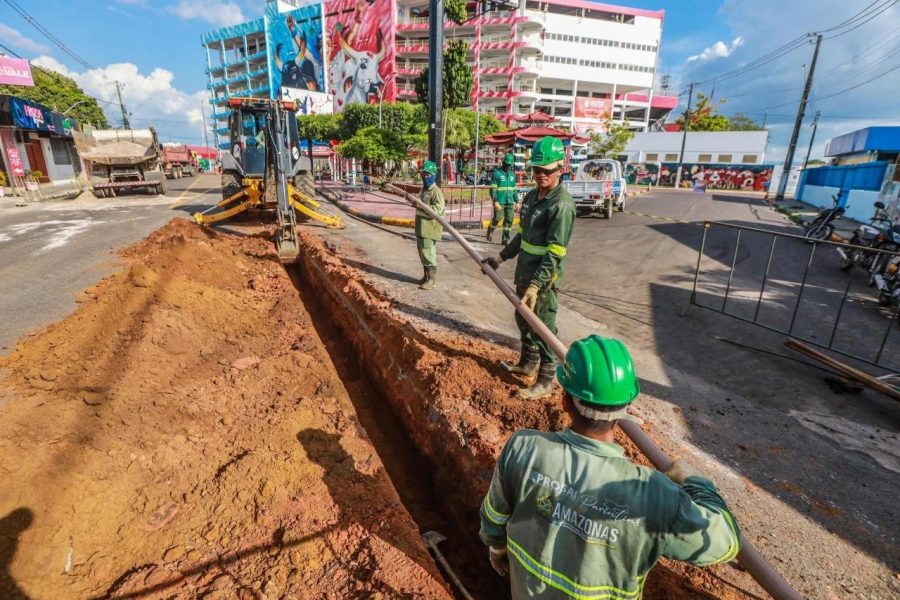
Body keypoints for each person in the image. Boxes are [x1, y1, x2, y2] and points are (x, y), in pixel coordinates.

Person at [479, 335, 741, 599]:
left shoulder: (523, 447)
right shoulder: (655, 495)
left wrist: (497, 548)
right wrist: (697, 484)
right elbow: (724, 544)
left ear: (565, 402)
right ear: (626, 407)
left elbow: (495, 517)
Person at [482, 136, 576, 400]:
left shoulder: (561, 205)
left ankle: (545, 381)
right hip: (524, 273)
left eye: (546, 170)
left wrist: (536, 285)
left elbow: (555, 253)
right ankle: (527, 364)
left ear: (560, 169)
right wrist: (500, 258)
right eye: (536, 169)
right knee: (523, 320)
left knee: (543, 327)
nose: (540, 175)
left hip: (543, 282)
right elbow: (522, 236)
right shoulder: (534, 196)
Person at [415, 160, 445, 290]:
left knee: (428, 254)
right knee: (422, 253)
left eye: (427, 175)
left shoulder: (436, 192)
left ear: (433, 175)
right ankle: (426, 276)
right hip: (421, 227)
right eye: (423, 174)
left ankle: (432, 280)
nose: (424, 177)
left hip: (430, 228)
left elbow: (437, 210)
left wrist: (420, 206)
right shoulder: (424, 189)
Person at [488, 153, 520, 244]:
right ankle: (490, 231)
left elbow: (514, 189)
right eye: (506, 164)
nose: (507, 166)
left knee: (509, 220)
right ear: (503, 163)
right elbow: (493, 189)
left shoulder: (512, 175)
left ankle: (505, 239)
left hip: (510, 201)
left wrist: (517, 201)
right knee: (497, 218)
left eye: (509, 164)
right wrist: (495, 201)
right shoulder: (496, 174)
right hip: (500, 201)